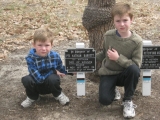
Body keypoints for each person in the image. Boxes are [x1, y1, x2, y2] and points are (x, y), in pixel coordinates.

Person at [96, 3, 143, 118]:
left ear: (131, 20)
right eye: (118, 21)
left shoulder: (137, 41)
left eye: (125, 20)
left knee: (134, 69)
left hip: (125, 74)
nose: (121, 24)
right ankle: (113, 89)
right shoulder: (108, 36)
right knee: (105, 100)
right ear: (113, 21)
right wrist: (87, 60)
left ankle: (127, 100)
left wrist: (118, 58)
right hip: (109, 73)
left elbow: (136, 65)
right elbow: (104, 53)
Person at [21, 27, 72, 108]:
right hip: (37, 85)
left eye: (47, 45)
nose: (43, 48)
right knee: (26, 79)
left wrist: (72, 71)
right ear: (34, 45)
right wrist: (54, 71)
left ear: (51, 45)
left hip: (50, 85)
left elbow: (60, 68)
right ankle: (33, 97)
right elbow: (39, 79)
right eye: (40, 45)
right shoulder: (30, 58)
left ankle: (57, 94)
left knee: (54, 78)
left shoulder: (55, 56)